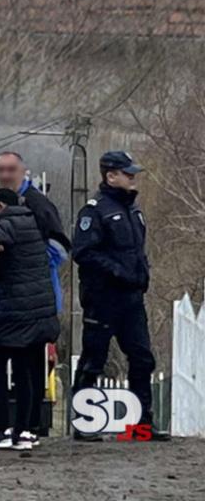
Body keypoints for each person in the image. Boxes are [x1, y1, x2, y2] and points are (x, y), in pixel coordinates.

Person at [0, 151, 69, 438]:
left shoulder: (39, 206)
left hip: (26, 299)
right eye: (0, 169)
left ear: (24, 171)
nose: (6, 174)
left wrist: (25, 266)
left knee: (26, 364)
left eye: (11, 169)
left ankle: (24, 425)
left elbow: (60, 248)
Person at [71, 151, 169, 441]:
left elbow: (137, 252)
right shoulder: (95, 211)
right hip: (102, 299)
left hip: (131, 299)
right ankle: (84, 422)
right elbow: (84, 252)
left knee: (142, 358)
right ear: (111, 176)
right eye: (127, 174)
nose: (132, 178)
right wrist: (117, 272)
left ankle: (141, 425)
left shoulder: (133, 210)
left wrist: (141, 276)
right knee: (93, 360)